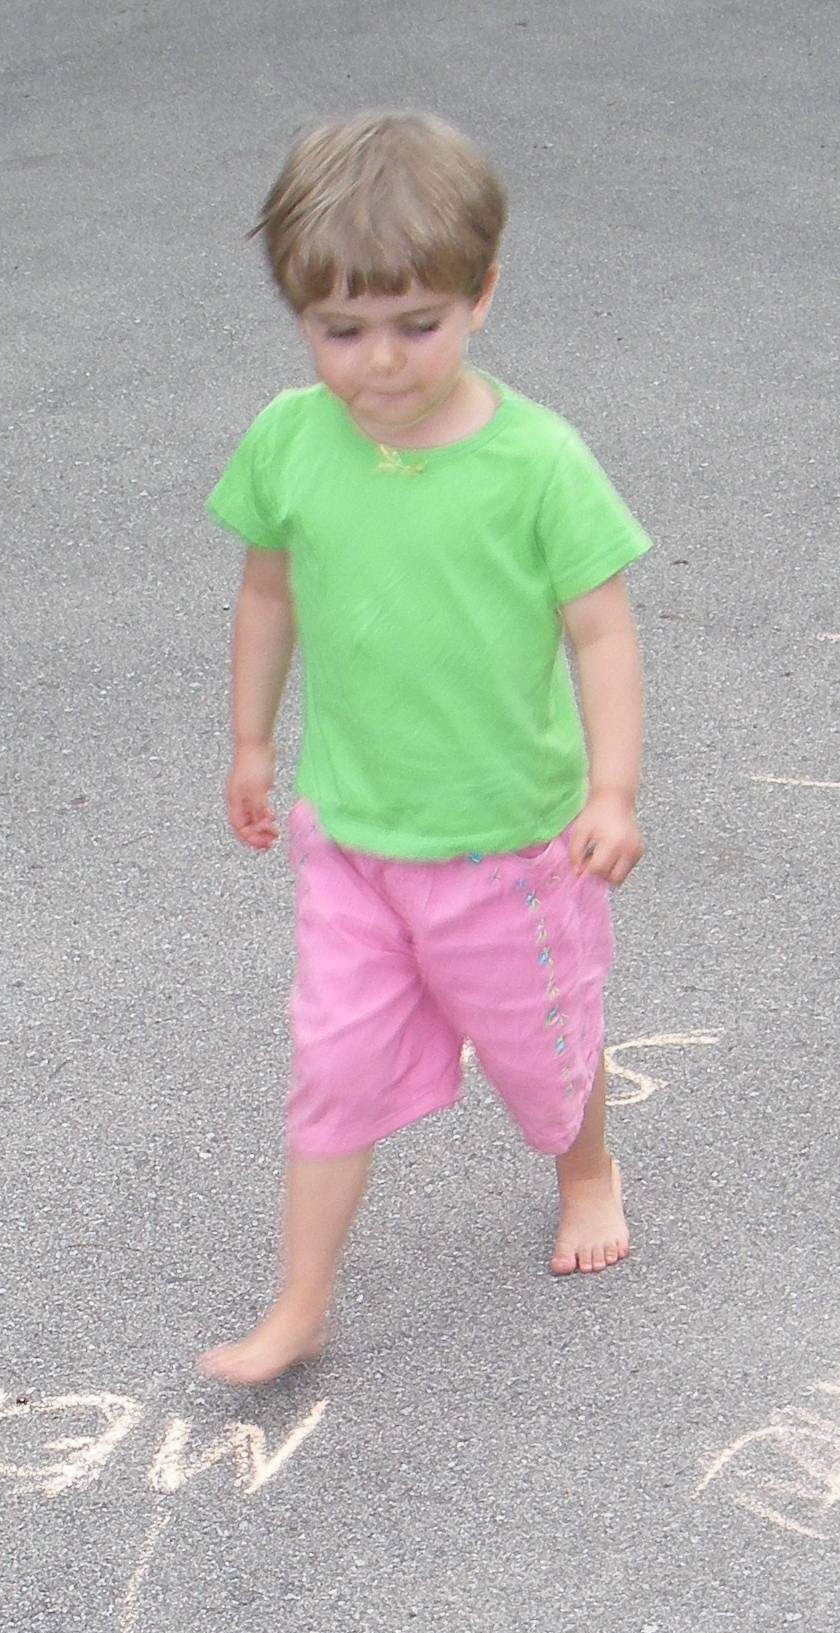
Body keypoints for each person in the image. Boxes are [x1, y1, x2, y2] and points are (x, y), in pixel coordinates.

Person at [200, 110, 650, 1386]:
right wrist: (249, 741)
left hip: (506, 845)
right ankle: (301, 1302)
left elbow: (601, 629)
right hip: (350, 840)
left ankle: (586, 1167)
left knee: (543, 1046)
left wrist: (611, 789)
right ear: (298, 315)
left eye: (417, 323)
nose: (381, 362)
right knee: (331, 1067)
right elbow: (268, 594)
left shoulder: (535, 462)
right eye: (340, 330)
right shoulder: (289, 439)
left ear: (481, 296)